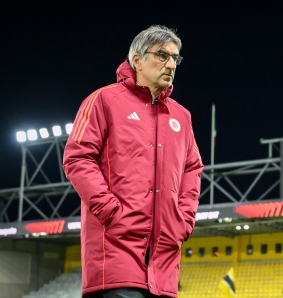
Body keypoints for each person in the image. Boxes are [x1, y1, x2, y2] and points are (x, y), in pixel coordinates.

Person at [63, 25, 203, 298]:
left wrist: (183, 220)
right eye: (162, 55)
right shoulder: (103, 100)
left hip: (164, 261)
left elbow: (192, 169)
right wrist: (109, 210)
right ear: (137, 60)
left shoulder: (182, 117)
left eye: (176, 58)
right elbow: (77, 156)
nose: (171, 64)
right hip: (114, 251)